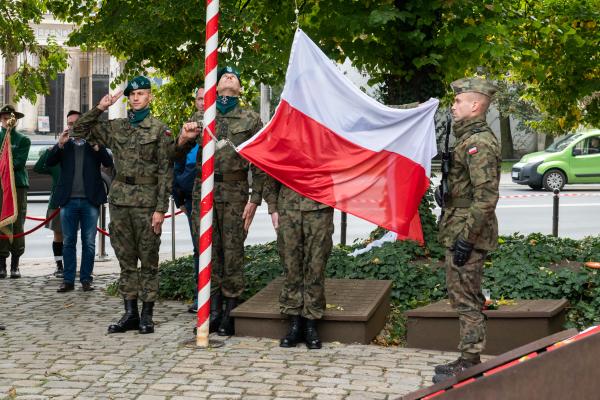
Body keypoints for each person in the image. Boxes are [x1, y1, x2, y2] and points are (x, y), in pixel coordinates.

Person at [72, 76, 174, 334]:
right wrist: (100, 107)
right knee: (126, 260)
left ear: (150, 97)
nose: (136, 98)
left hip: (147, 203)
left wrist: (161, 208)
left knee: (149, 261)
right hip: (120, 202)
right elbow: (78, 130)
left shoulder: (159, 130)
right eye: (133, 94)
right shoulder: (117, 127)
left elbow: (165, 171)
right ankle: (130, 312)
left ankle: (147, 314)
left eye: (141, 93)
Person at [177, 67, 264, 335]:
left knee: (233, 251)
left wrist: (255, 198)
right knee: (207, 251)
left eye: (234, 77)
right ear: (215, 86)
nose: (228, 77)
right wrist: (183, 137)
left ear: (239, 88)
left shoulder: (250, 118)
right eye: (224, 75)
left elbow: (260, 161)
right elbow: (175, 154)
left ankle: (230, 311)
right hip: (203, 191)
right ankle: (211, 309)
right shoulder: (202, 115)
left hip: (235, 190)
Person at [433, 77, 501, 383]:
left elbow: (486, 197)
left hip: (467, 231)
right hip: (458, 225)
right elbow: (468, 189)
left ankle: (470, 361)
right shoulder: (465, 138)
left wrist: (466, 239)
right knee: (461, 294)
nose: (454, 105)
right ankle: (467, 358)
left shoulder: (479, 142)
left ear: (475, 105)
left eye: (459, 101)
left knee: (467, 298)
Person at [263, 178, 334, 350]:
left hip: (319, 205)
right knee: (291, 265)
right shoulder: (283, 149)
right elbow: (269, 170)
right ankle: (294, 323)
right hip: (288, 206)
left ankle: (311, 323)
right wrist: (272, 207)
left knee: (316, 265)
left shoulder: (326, 149)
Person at [46, 115, 113, 293]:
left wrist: (97, 147)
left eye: (77, 123)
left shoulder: (94, 143)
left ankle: (86, 279)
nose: (74, 126)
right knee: (68, 241)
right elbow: (48, 162)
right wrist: (59, 144)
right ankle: (68, 280)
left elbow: (108, 162)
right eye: (70, 123)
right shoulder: (64, 144)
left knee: (89, 242)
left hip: (90, 201)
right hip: (68, 201)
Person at [34, 111, 83, 278]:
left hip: (74, 199)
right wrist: (53, 149)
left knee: (71, 237)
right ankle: (59, 265)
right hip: (57, 202)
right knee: (58, 235)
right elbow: (39, 168)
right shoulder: (58, 151)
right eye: (69, 124)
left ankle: (71, 265)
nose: (72, 127)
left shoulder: (76, 150)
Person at [172, 87, 203, 313]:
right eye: (200, 99)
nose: (203, 102)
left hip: (222, 195)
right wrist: (179, 198)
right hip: (193, 197)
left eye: (207, 98)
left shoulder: (224, 122)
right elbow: (176, 162)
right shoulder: (188, 128)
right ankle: (199, 296)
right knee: (199, 249)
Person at [0, 105, 31, 279]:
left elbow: (18, 163)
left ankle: (15, 265)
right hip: (0, 186)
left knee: (18, 223)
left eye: (11, 118)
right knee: (2, 222)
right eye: (4, 118)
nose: (8, 121)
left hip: (17, 185)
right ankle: (2, 265)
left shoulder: (23, 140)